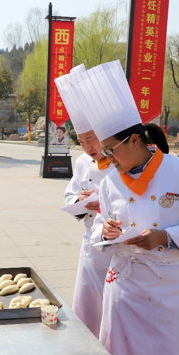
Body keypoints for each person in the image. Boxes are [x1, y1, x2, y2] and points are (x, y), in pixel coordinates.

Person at [72, 60, 179, 355]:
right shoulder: (111, 183)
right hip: (125, 290)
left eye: (112, 150)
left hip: (171, 291)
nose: (108, 159)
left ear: (135, 141)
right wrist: (106, 231)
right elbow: (100, 229)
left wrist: (164, 237)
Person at [55, 64, 115, 337]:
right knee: (87, 305)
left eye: (91, 139)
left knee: (112, 309)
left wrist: (102, 203)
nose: (88, 147)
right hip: (89, 244)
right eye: (81, 141)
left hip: (115, 246)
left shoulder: (120, 162)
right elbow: (70, 194)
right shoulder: (81, 161)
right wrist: (78, 201)